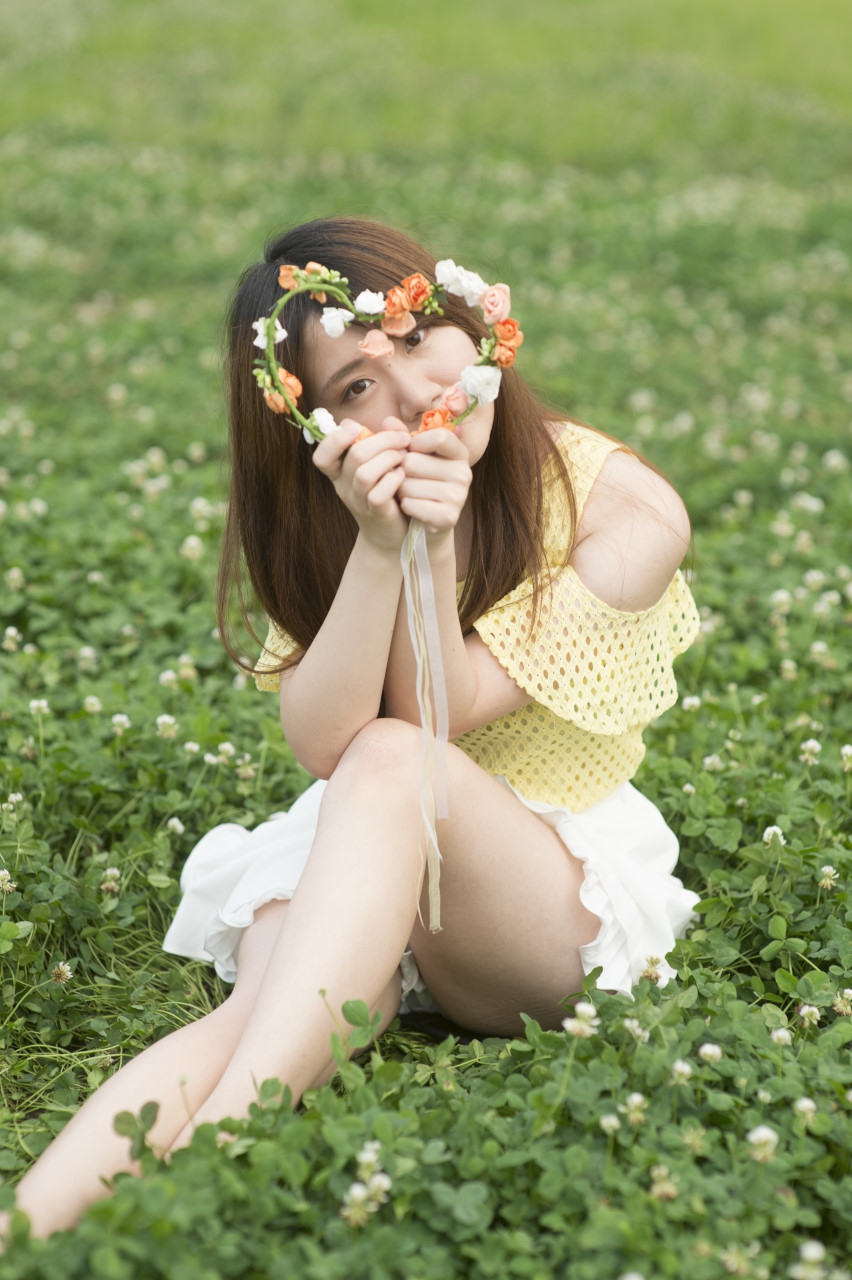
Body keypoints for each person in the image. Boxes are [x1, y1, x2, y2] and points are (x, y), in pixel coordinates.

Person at [2, 216, 700, 1241]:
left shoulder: (625, 507)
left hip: (547, 892)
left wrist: (435, 538)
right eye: (358, 386)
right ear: (315, 425)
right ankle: (23, 1231)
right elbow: (322, 744)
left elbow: (436, 718)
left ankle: (207, 1156)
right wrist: (379, 547)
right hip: (373, 834)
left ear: (470, 320)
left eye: (415, 337)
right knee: (254, 1008)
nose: (412, 392)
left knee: (389, 755)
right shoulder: (344, 508)